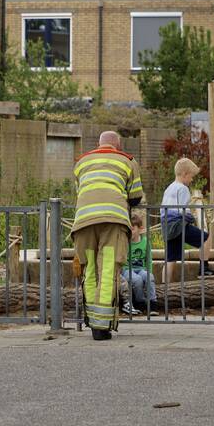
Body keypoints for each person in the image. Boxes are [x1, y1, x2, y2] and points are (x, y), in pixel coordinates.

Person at [71, 131, 144, 340]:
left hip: (84, 221)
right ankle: (101, 327)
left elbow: (80, 192)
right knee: (108, 269)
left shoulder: (81, 162)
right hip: (113, 221)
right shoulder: (127, 161)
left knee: (91, 269)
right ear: (118, 145)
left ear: (98, 144)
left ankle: (93, 322)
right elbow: (136, 197)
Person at [161, 158, 214, 286]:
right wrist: (190, 218)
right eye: (191, 177)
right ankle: (204, 268)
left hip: (167, 226)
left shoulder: (169, 188)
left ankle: (164, 287)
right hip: (178, 225)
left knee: (170, 258)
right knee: (206, 238)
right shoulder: (183, 189)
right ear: (184, 174)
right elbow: (183, 210)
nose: (191, 180)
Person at [121, 211, 159, 316]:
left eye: (132, 229)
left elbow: (149, 259)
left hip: (141, 269)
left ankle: (153, 304)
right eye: (128, 230)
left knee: (149, 277)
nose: (130, 232)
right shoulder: (125, 242)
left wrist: (149, 271)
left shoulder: (145, 242)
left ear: (140, 229)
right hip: (127, 269)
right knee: (136, 280)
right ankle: (140, 302)